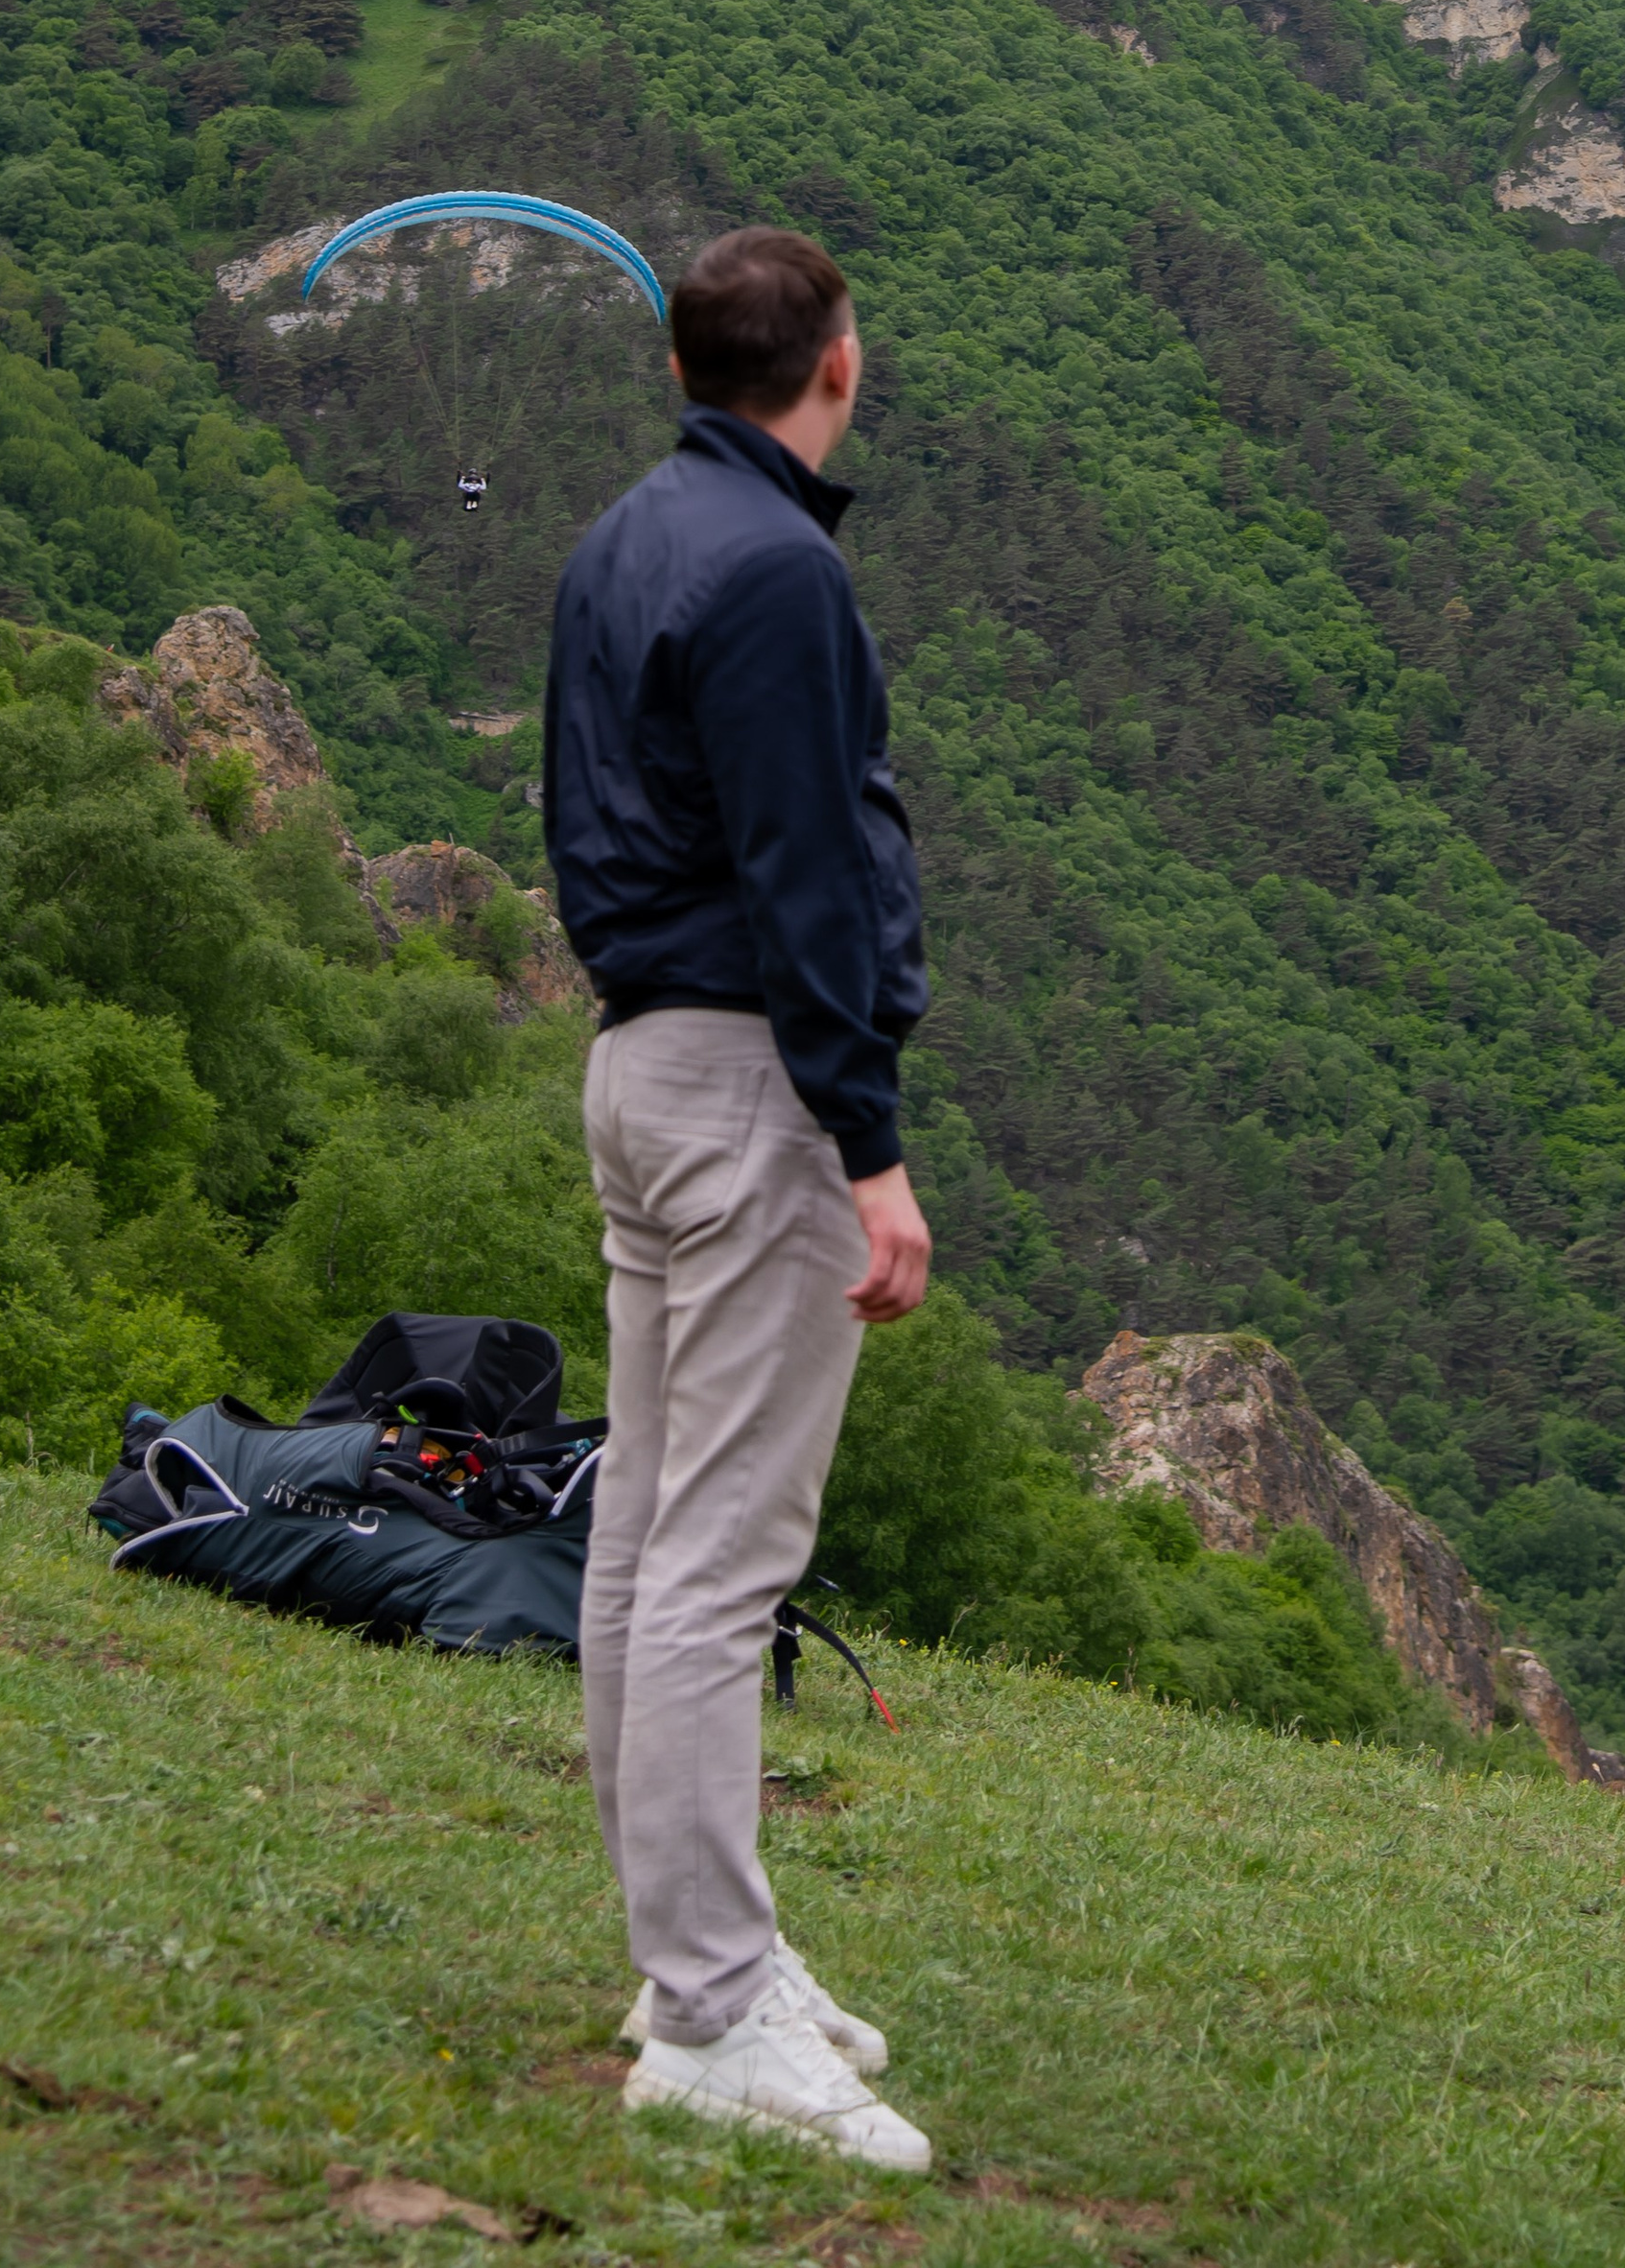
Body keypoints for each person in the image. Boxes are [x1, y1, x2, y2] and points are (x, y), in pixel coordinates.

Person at [543, 224, 935, 2175]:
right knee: (723, 1560)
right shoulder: (781, 570)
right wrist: (862, 1143)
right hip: (746, 1082)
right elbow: (803, 870)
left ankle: (691, 1952)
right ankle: (704, 2011)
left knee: (642, 1534)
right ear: (834, 365)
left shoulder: (626, 537)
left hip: (631, 1061)